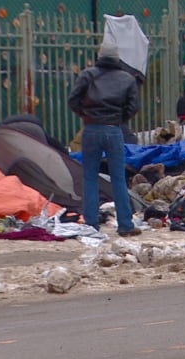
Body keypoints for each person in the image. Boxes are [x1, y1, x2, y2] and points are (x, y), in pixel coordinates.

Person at [67, 42, 141, 237]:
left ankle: (91, 224)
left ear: (99, 56)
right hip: (113, 129)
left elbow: (73, 100)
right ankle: (125, 224)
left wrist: (86, 116)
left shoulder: (87, 75)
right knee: (118, 178)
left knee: (90, 177)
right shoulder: (127, 79)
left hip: (91, 130)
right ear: (117, 58)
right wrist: (118, 119)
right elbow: (133, 106)